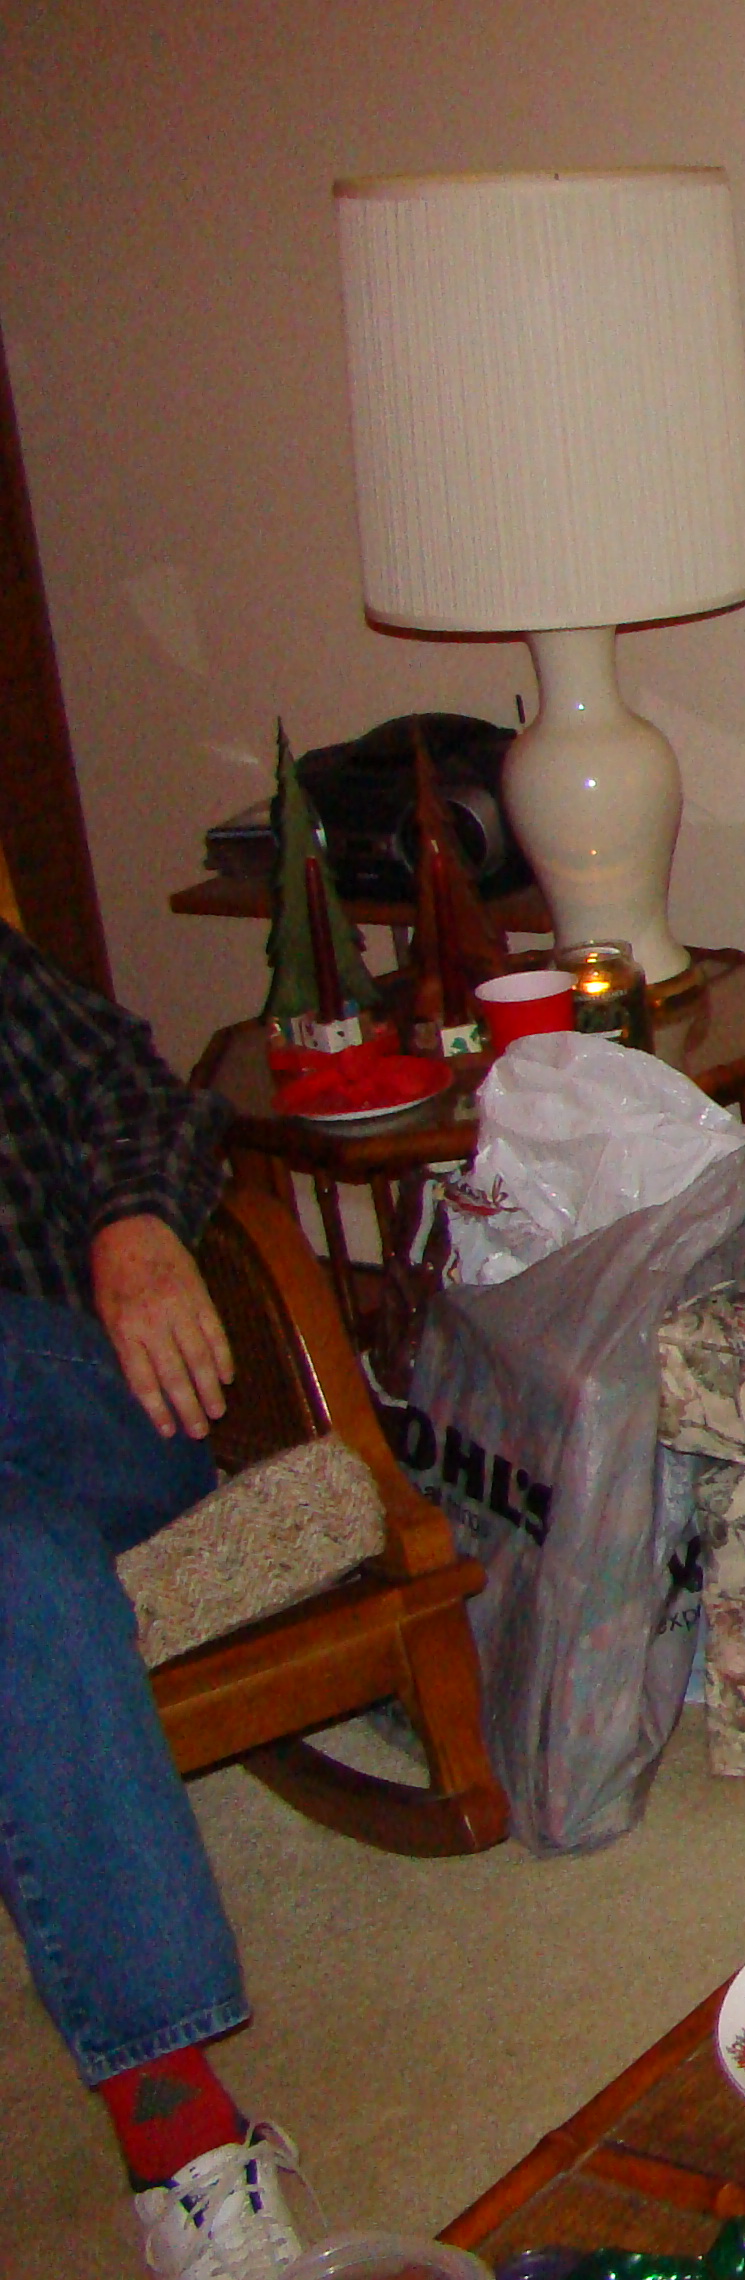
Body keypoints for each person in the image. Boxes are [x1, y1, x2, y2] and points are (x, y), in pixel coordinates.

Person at [0, 923, 318, 2277]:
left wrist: (133, 1224)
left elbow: (133, 1086)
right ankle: (184, 2146)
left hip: (80, 1399)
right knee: (19, 1570)